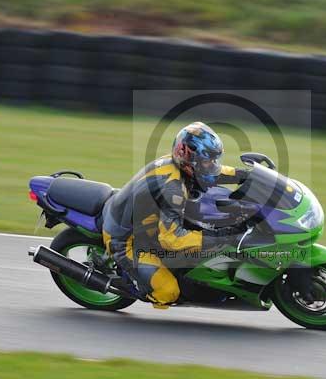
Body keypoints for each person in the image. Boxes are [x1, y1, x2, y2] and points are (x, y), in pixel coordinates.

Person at [102, 122, 248, 308]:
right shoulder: (173, 189)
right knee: (169, 292)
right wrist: (222, 237)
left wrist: (246, 175)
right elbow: (172, 240)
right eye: (206, 160)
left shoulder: (179, 165)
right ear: (187, 157)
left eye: (213, 160)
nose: (211, 165)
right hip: (126, 241)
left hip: (140, 221)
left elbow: (213, 172)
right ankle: (138, 286)